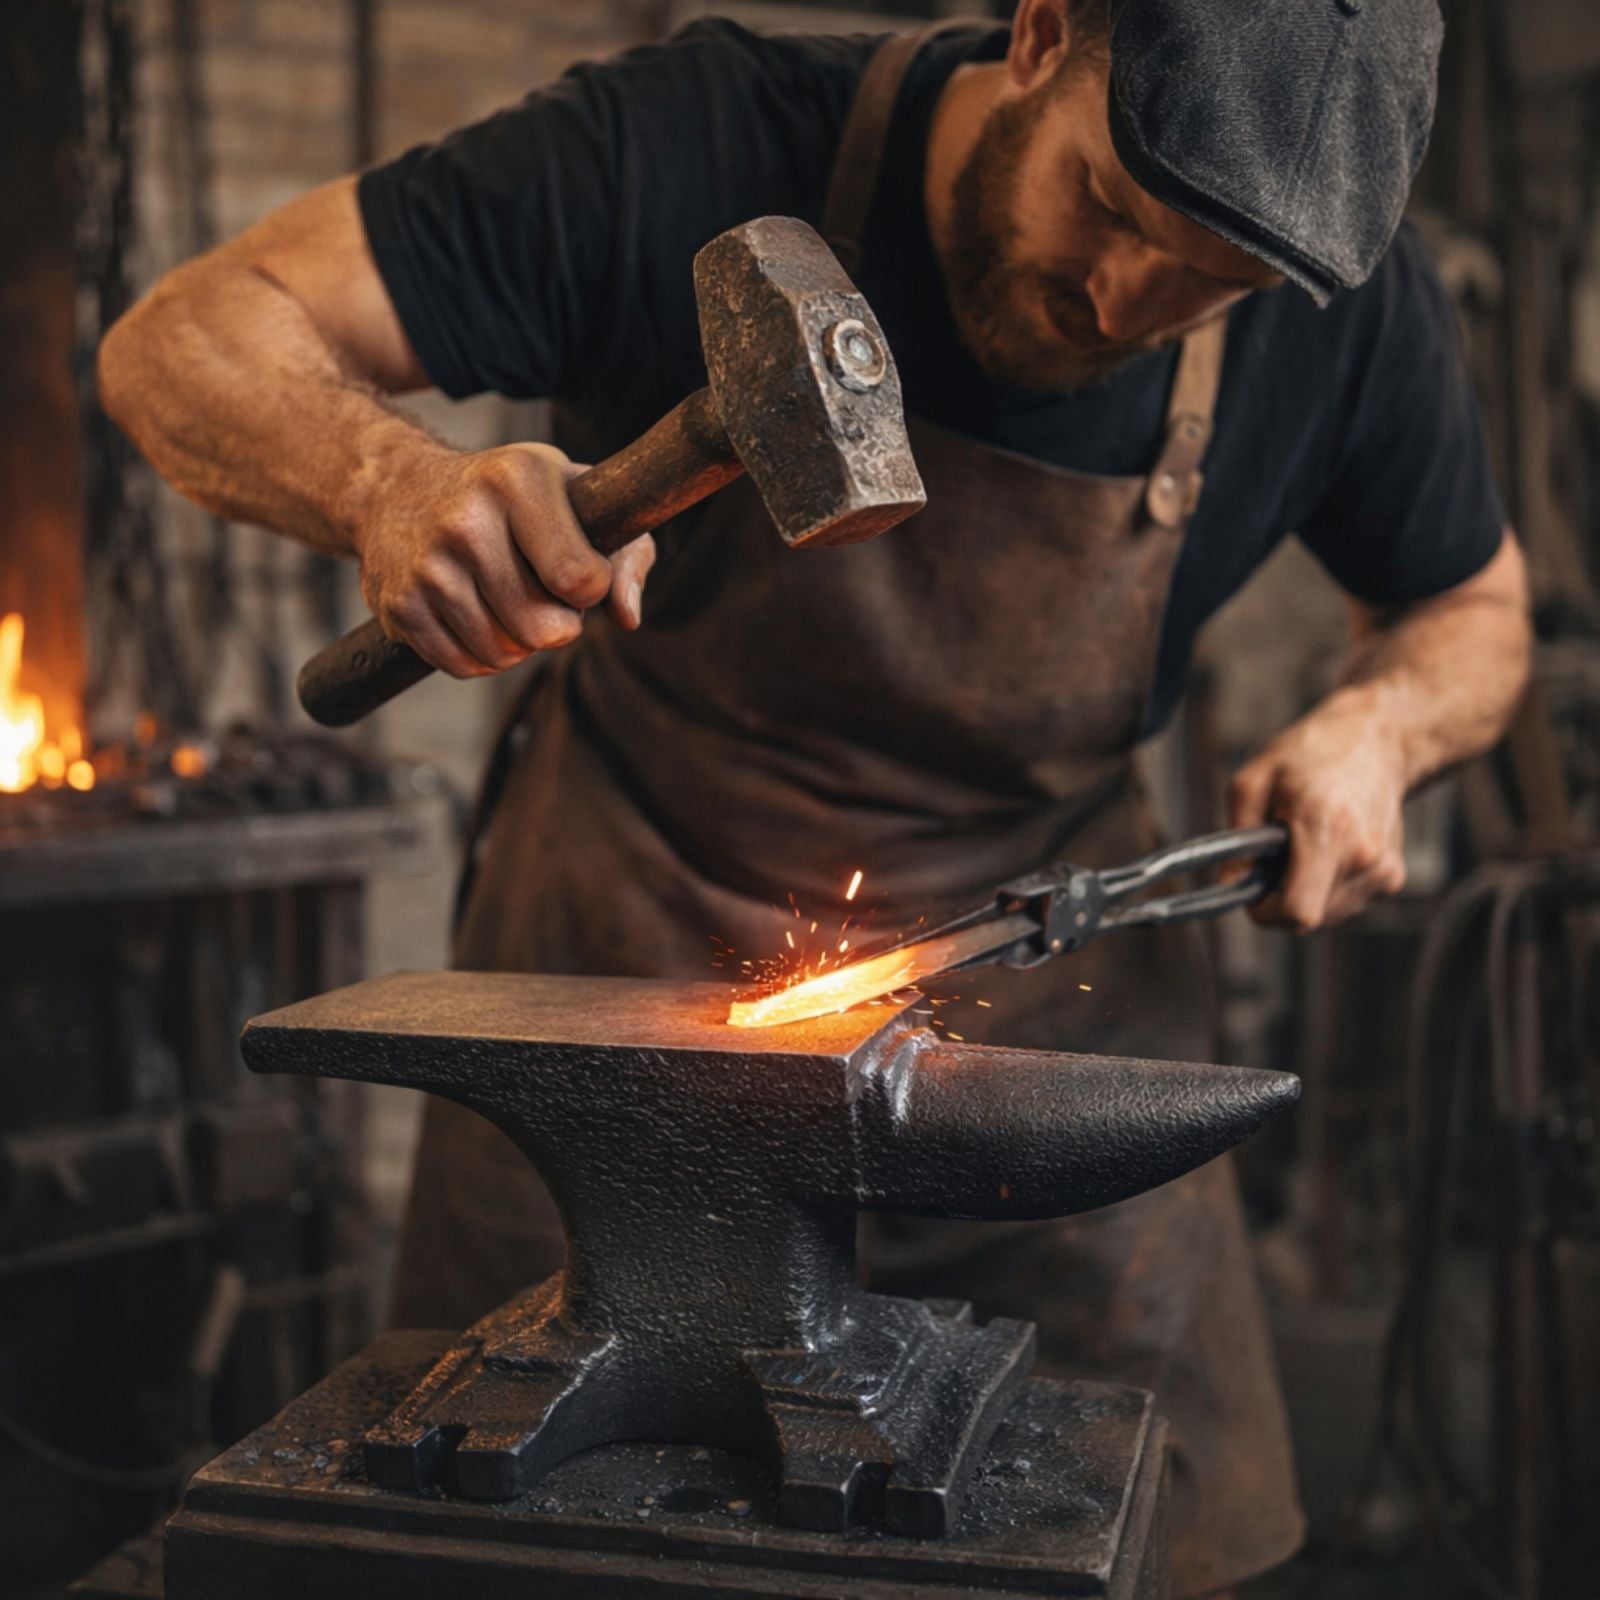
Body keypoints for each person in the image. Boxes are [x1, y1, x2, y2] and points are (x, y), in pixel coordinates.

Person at [99, 0, 1531, 1591]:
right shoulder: (699, 135)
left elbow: (1471, 612)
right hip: (627, 995)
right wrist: (387, 483)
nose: (1130, 299)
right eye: (1110, 205)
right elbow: (182, 338)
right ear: (1044, 31)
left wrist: (1383, 729)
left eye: (1217, 280)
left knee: (1139, 1529)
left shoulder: (1339, 297)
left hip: (1032, 1026)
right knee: (519, 1531)